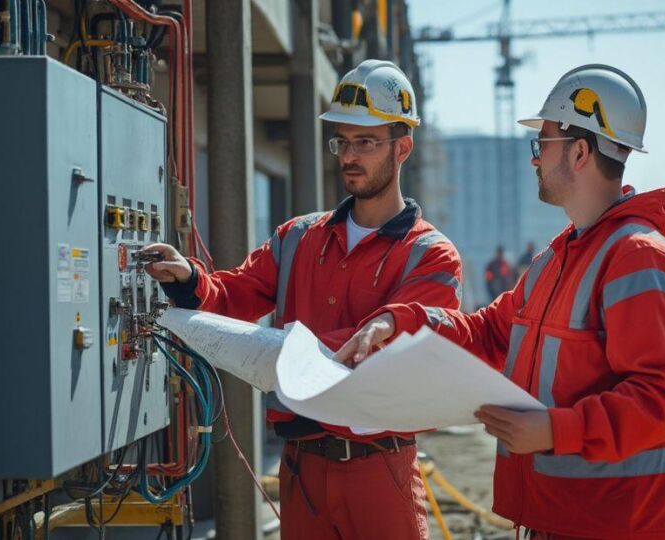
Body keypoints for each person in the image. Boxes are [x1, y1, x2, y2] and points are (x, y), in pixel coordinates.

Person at [337, 64, 665, 539]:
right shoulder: (558, 257)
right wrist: (400, 322)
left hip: (619, 527)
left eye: (542, 144)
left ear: (580, 152)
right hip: (557, 521)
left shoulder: (639, 259)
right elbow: (489, 332)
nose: (534, 160)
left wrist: (553, 431)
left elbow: (662, 400)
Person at [142, 59, 462, 540]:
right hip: (304, 471)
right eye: (343, 141)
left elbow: (381, 346)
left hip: (379, 469)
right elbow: (232, 297)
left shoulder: (430, 254)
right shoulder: (298, 237)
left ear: (403, 148)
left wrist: (281, 347)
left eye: (367, 142)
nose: (350, 156)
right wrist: (188, 277)